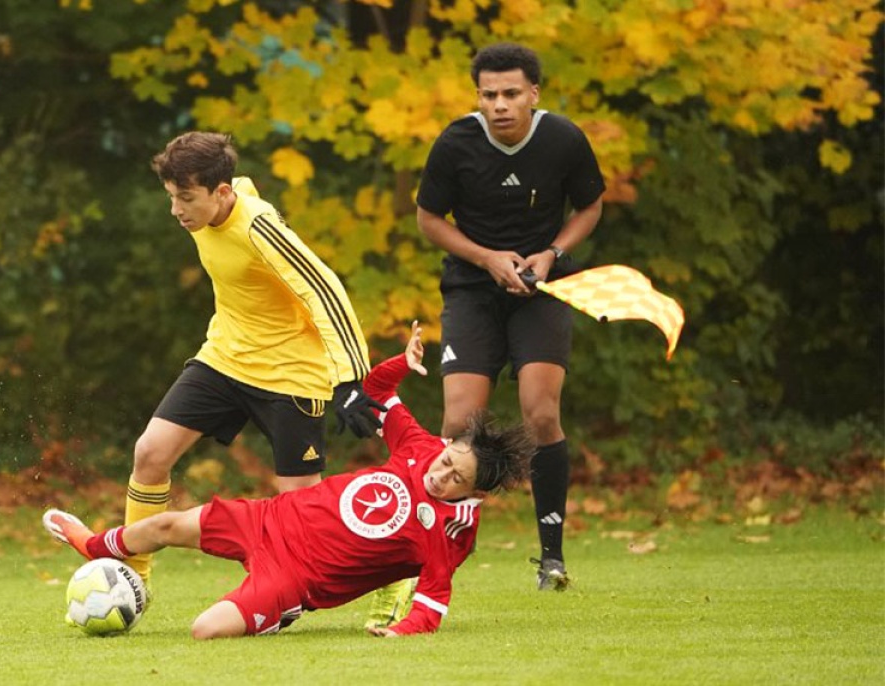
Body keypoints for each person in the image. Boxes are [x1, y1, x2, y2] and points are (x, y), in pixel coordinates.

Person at [43, 323, 533, 639]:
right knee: (164, 527)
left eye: (455, 478)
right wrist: (401, 365)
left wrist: (403, 632)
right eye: (448, 459)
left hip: (295, 578)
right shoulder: (421, 448)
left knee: (204, 631)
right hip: (269, 519)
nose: (440, 472)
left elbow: (433, 597)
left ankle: (280, 615)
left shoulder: (453, 530)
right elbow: (377, 392)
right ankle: (96, 546)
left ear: (475, 493)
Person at [116, 132, 384, 587]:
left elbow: (324, 289)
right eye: (170, 197)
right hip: (226, 358)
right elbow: (238, 179)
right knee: (150, 453)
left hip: (291, 376)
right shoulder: (212, 205)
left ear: (220, 193)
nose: (176, 211)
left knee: (307, 515)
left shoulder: (260, 227)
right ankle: (131, 580)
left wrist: (352, 378)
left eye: (185, 198)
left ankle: (387, 572)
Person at [415, 43, 605, 590]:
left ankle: (552, 558)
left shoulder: (563, 139)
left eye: (511, 94)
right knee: (457, 423)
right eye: (489, 94)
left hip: (542, 292)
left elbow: (590, 205)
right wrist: (487, 259)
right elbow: (429, 218)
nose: (499, 104)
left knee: (540, 413)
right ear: (478, 96)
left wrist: (552, 254)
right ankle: (428, 556)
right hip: (473, 291)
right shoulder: (456, 142)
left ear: (533, 94)